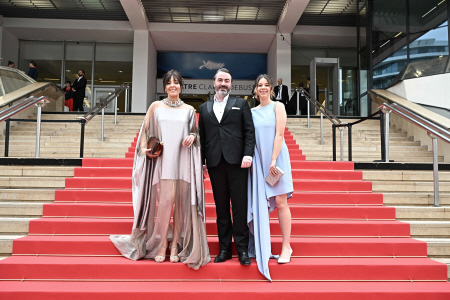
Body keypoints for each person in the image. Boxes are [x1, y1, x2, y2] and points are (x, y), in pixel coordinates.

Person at [110, 69, 210, 270]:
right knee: (166, 202)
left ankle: (175, 246)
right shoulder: (155, 107)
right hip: (163, 161)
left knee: (182, 204)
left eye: (176, 82)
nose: (173, 85)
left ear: (181, 85)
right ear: (164, 86)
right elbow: (145, 131)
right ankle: (162, 243)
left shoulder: (190, 110)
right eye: (169, 82)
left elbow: (196, 135)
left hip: (183, 161)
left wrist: (193, 137)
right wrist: (143, 149)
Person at [198, 68, 255, 266]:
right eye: (220, 80)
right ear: (214, 83)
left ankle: (242, 249)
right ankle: (224, 249)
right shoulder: (204, 108)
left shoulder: (241, 104)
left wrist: (248, 154)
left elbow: (249, 132)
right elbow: (202, 138)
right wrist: (202, 162)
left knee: (239, 207)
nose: (223, 83)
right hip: (214, 163)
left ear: (231, 84)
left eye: (227, 81)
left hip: (238, 162)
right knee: (221, 208)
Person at [248, 74, 293, 281]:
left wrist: (273, 160)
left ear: (271, 89)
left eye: (267, 85)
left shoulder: (278, 107)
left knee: (281, 203)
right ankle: (262, 245)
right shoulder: (250, 112)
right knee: (260, 206)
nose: (263, 88)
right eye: (260, 85)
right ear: (255, 90)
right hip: (259, 163)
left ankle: (286, 247)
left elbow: (279, 135)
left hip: (276, 160)